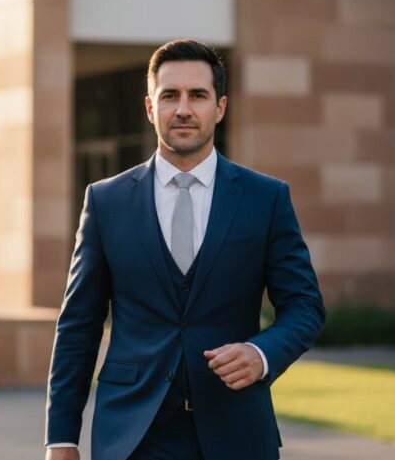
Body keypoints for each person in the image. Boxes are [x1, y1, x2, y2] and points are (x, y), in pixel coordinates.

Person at [45, 39, 325, 460]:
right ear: (149, 107)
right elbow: (78, 326)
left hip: (236, 430)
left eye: (198, 95)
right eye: (170, 95)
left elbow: (305, 306)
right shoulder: (106, 201)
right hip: (133, 435)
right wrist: (61, 437)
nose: (183, 109)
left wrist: (261, 353)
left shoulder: (265, 198)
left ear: (221, 107)